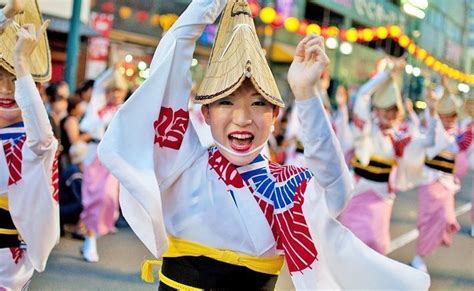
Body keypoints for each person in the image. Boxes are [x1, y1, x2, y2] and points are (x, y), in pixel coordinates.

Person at [98, 0, 430, 289]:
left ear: (275, 115)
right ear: (206, 113)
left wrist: (306, 94)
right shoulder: (180, 165)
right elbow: (171, 61)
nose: (242, 118)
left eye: (258, 104)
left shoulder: (287, 187)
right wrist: (207, 4)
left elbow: (336, 193)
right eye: (226, 102)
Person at [339, 59, 437, 255]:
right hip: (356, 192)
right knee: (348, 244)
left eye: (394, 110)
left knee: (377, 246)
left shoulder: (398, 139)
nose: (389, 114)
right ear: (376, 110)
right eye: (385, 108)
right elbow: (363, 95)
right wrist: (386, 75)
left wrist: (432, 112)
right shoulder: (366, 130)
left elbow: (428, 141)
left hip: (381, 197)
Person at [0, 0, 59, 289]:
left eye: (15, 79)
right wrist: (4, 17)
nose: (5, 89)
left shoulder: (28, 142)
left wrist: (22, 62)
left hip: (7, 267)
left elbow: (43, 141)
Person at [410, 90, 472, 272]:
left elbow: (457, 147)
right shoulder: (434, 129)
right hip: (429, 182)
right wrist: (433, 108)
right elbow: (432, 128)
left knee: (445, 217)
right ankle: (418, 257)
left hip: (446, 184)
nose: (451, 118)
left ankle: (432, 243)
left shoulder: (460, 134)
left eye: (453, 115)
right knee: (426, 220)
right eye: (447, 115)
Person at [78, 69, 128, 263]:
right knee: (92, 199)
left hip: (112, 161)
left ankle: (92, 236)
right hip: (93, 158)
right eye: (113, 91)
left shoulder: (126, 111)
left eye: (119, 91)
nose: (116, 94)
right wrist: (111, 70)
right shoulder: (97, 110)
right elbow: (88, 128)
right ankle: (90, 239)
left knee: (108, 199)